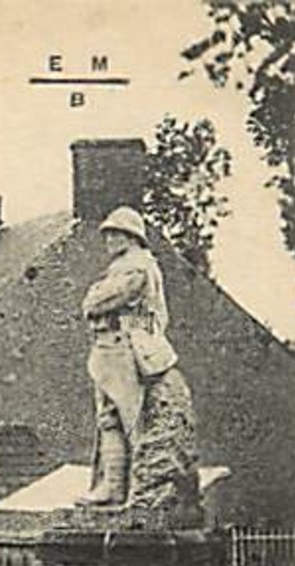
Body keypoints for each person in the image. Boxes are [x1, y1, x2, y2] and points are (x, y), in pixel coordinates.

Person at [78, 206, 201, 516]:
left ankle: (127, 487)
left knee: (126, 418)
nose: (107, 240)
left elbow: (97, 301)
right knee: (111, 418)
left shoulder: (135, 267)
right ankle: (114, 486)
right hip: (115, 346)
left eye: (114, 233)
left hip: (127, 348)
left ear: (130, 236)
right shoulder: (128, 265)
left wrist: (94, 295)